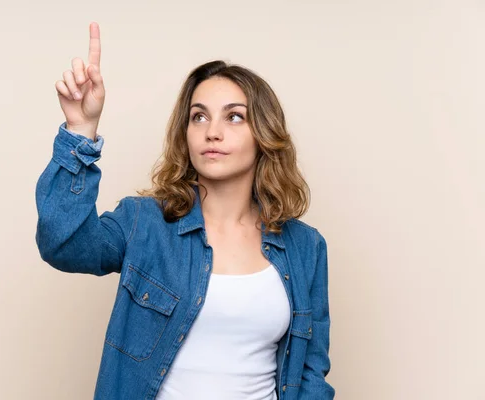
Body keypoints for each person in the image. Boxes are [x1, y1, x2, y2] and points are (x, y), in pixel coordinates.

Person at [35, 22, 335, 400]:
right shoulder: (144, 224)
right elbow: (63, 243)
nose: (213, 132)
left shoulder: (306, 248)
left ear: (264, 134)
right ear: (186, 133)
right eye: (199, 116)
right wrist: (80, 131)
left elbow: (310, 371)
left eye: (234, 116)